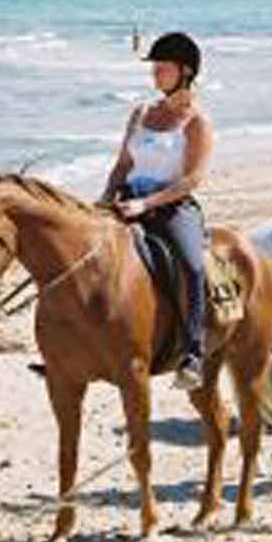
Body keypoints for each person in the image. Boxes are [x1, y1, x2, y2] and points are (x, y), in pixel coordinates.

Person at [101, 31, 215, 389]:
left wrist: (146, 204)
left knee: (192, 264)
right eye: (155, 68)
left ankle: (193, 353)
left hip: (171, 206)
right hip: (126, 199)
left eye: (162, 68)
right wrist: (106, 198)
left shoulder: (196, 122)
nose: (154, 75)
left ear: (184, 71)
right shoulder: (141, 113)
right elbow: (122, 164)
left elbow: (192, 179)